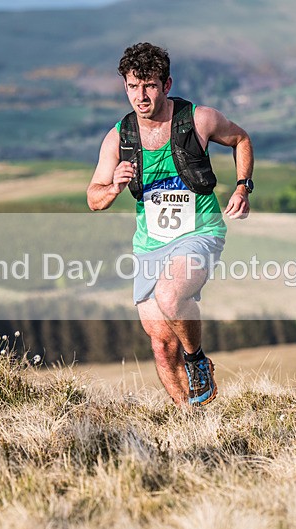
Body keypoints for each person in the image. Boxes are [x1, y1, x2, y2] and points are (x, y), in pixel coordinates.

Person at [87, 42, 254, 407]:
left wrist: (243, 186)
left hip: (200, 233)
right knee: (162, 345)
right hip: (151, 244)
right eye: (133, 86)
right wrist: (114, 185)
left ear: (166, 84)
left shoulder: (199, 119)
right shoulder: (119, 137)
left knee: (169, 295)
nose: (141, 96)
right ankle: (192, 422)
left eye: (149, 85)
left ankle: (197, 360)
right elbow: (93, 198)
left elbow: (240, 139)